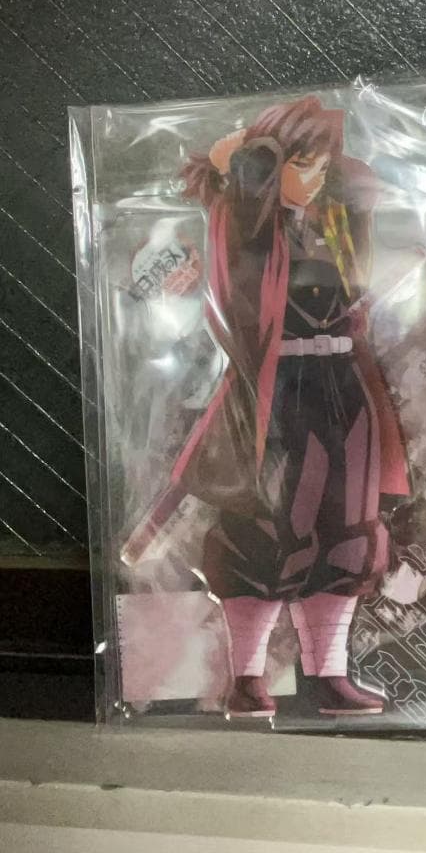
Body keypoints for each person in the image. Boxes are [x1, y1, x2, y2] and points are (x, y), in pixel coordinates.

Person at [127, 96, 411, 717]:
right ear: (270, 165)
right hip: (280, 394)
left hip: (344, 386)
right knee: (274, 529)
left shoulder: (333, 221)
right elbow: (248, 215)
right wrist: (249, 158)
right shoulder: (245, 227)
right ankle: (247, 678)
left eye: (320, 167)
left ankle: (329, 676)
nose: (313, 179)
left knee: (348, 530)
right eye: (300, 165)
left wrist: (316, 161)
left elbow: (358, 186)